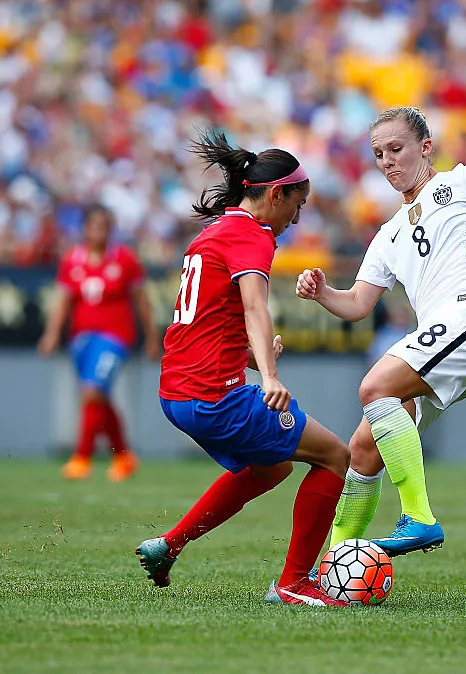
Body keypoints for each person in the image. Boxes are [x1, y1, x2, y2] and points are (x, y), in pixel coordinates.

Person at [295, 107, 466, 557]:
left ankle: (418, 517)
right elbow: (358, 304)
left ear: (425, 147)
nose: (387, 162)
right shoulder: (388, 233)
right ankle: (334, 564)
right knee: (363, 447)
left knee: (374, 386)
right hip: (445, 334)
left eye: (396, 149)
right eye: (379, 154)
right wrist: (323, 293)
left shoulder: (464, 182)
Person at [134, 130, 351, 607]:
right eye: (298, 203)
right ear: (276, 195)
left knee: (271, 469)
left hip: (177, 394)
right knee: (336, 456)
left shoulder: (212, 233)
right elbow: (255, 307)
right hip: (215, 396)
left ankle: (168, 545)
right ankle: (294, 584)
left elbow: (209, 321)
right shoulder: (253, 235)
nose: (298, 216)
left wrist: (254, 357)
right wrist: (268, 376)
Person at [38, 205, 158, 482]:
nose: (99, 231)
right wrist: (52, 334)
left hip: (115, 337)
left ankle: (82, 457)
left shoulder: (125, 259)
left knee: (93, 390)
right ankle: (124, 456)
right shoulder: (72, 260)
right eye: (94, 225)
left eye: (104, 225)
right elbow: (63, 301)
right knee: (98, 396)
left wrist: (152, 338)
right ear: (85, 228)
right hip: (81, 338)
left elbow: (143, 302)